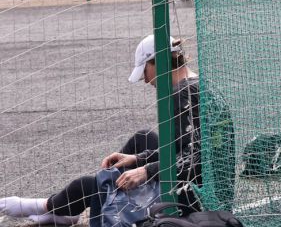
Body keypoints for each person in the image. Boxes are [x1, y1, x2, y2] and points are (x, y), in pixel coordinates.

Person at [0, 34, 235, 223]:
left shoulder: (181, 94)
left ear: (158, 62)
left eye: (145, 71)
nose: (146, 80)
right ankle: (89, 199)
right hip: (208, 184)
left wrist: (146, 171)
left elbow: (195, 159)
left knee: (90, 186)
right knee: (142, 138)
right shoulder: (197, 83)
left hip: (193, 197)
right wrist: (138, 159)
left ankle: (51, 206)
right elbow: (187, 150)